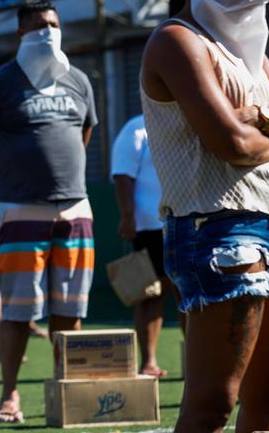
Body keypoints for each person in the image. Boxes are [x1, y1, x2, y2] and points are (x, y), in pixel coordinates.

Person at [139, 0, 269, 432]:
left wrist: (261, 117)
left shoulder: (248, 50)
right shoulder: (176, 40)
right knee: (215, 403)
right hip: (215, 227)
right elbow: (230, 144)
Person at [0, 0, 98, 424]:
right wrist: (8, 173)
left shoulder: (78, 81)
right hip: (20, 210)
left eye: (54, 24)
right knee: (20, 310)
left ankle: (66, 392)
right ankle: (10, 395)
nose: (48, 32)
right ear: (21, 34)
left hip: (75, 208)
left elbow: (85, 133)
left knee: (69, 308)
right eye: (39, 26)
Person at [110, 114, 178, 378]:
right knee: (150, 294)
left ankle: (196, 363)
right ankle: (148, 361)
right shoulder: (136, 127)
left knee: (189, 296)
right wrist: (127, 217)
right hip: (150, 224)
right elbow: (122, 175)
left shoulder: (187, 117)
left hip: (186, 220)